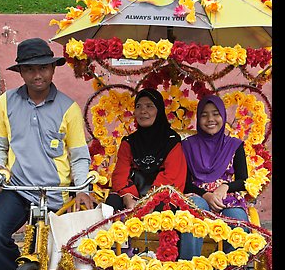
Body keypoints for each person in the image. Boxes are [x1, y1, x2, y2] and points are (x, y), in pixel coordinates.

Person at [0, 37, 93, 270]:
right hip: (18, 190)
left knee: (58, 259)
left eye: (43, 67)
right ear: (20, 71)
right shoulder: (6, 102)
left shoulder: (68, 108)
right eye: (29, 69)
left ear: (53, 69)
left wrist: (82, 189)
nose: (37, 75)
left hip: (57, 195)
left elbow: (79, 156)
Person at [179, 94, 249, 260]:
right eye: (204, 115)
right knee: (194, 209)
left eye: (216, 113)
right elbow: (185, 182)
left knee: (239, 220)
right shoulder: (187, 146)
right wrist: (206, 195)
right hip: (198, 195)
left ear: (223, 116)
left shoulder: (234, 145)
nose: (210, 119)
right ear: (198, 118)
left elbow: (243, 181)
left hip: (226, 197)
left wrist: (225, 187)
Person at [105, 88, 187, 211]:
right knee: (112, 202)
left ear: (159, 111)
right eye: (138, 106)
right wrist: (128, 197)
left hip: (161, 193)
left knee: (162, 207)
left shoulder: (171, 140)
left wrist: (149, 201)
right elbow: (120, 175)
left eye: (149, 106)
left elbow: (173, 176)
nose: (143, 111)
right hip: (133, 194)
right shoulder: (129, 142)